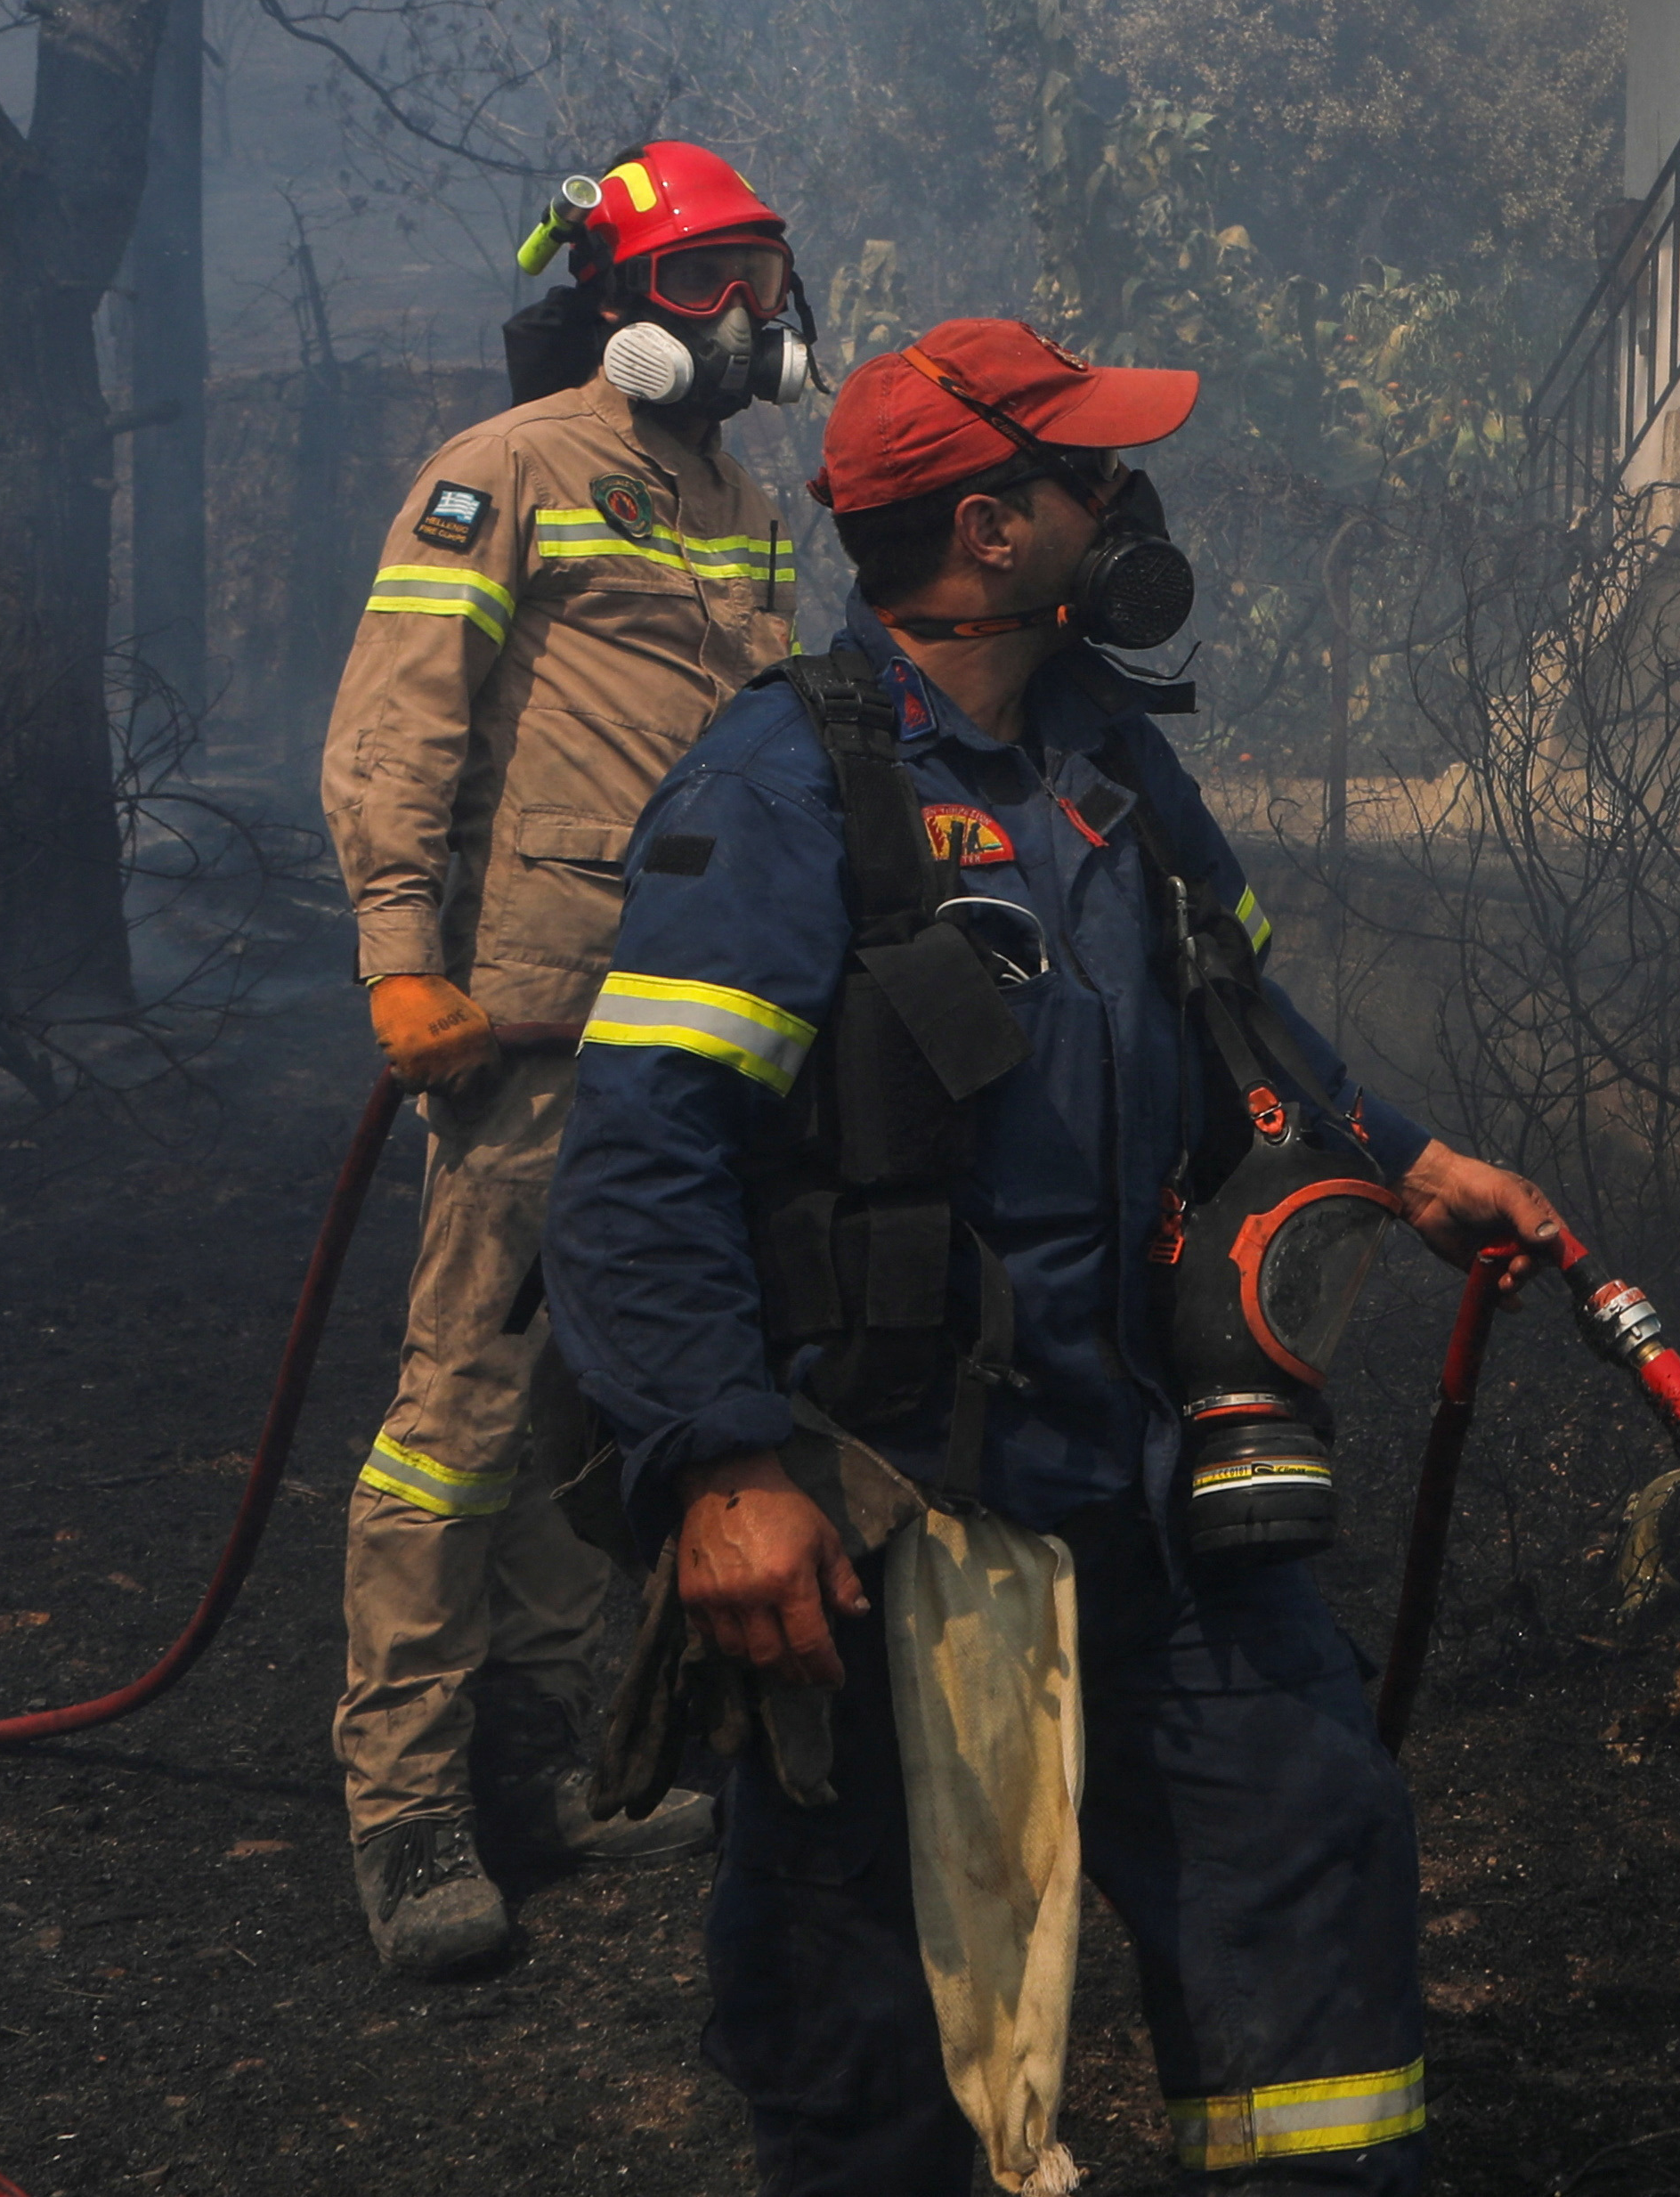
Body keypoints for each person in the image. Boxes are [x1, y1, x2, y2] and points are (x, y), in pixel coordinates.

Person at [547, 317, 1567, 2193]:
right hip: (901, 1517)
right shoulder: (782, 791)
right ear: (995, 533)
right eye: (1088, 473)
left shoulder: (1104, 758)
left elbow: (1243, 1019)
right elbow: (636, 1159)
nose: (1126, 503)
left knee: (1309, 1852)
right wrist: (715, 1463)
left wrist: (1412, 1159)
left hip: (1155, 1479)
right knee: (877, 2030)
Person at [319, 138, 815, 1976]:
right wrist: (397, 956)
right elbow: (397, 725)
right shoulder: (500, 473)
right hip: (527, 1016)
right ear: (611, 306)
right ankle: (409, 1811)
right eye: (702, 283)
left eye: (761, 276)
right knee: (458, 1421)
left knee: (591, 1406)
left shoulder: (745, 505)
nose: (745, 319)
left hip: (694, 1019)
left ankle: (550, 1768)